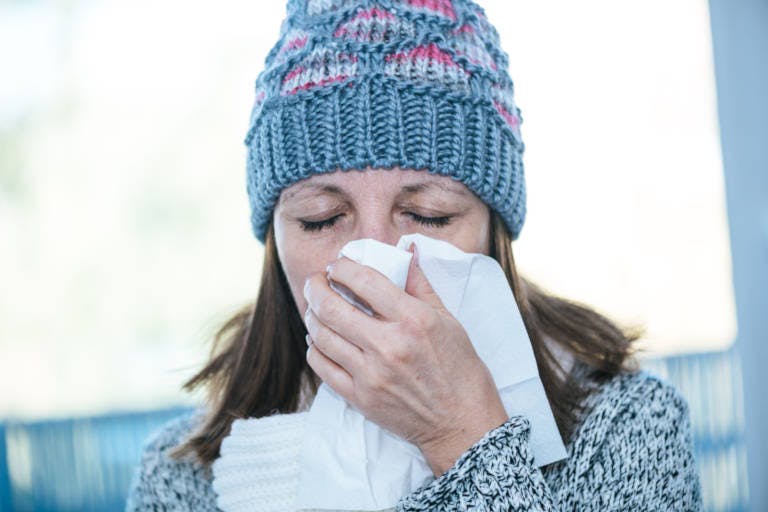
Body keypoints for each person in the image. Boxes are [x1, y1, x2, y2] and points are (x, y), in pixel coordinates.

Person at [126, 0, 703, 510]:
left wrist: (462, 438)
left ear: (492, 231)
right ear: (276, 235)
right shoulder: (184, 477)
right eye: (322, 219)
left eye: (429, 216)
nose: (375, 260)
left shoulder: (627, 426)